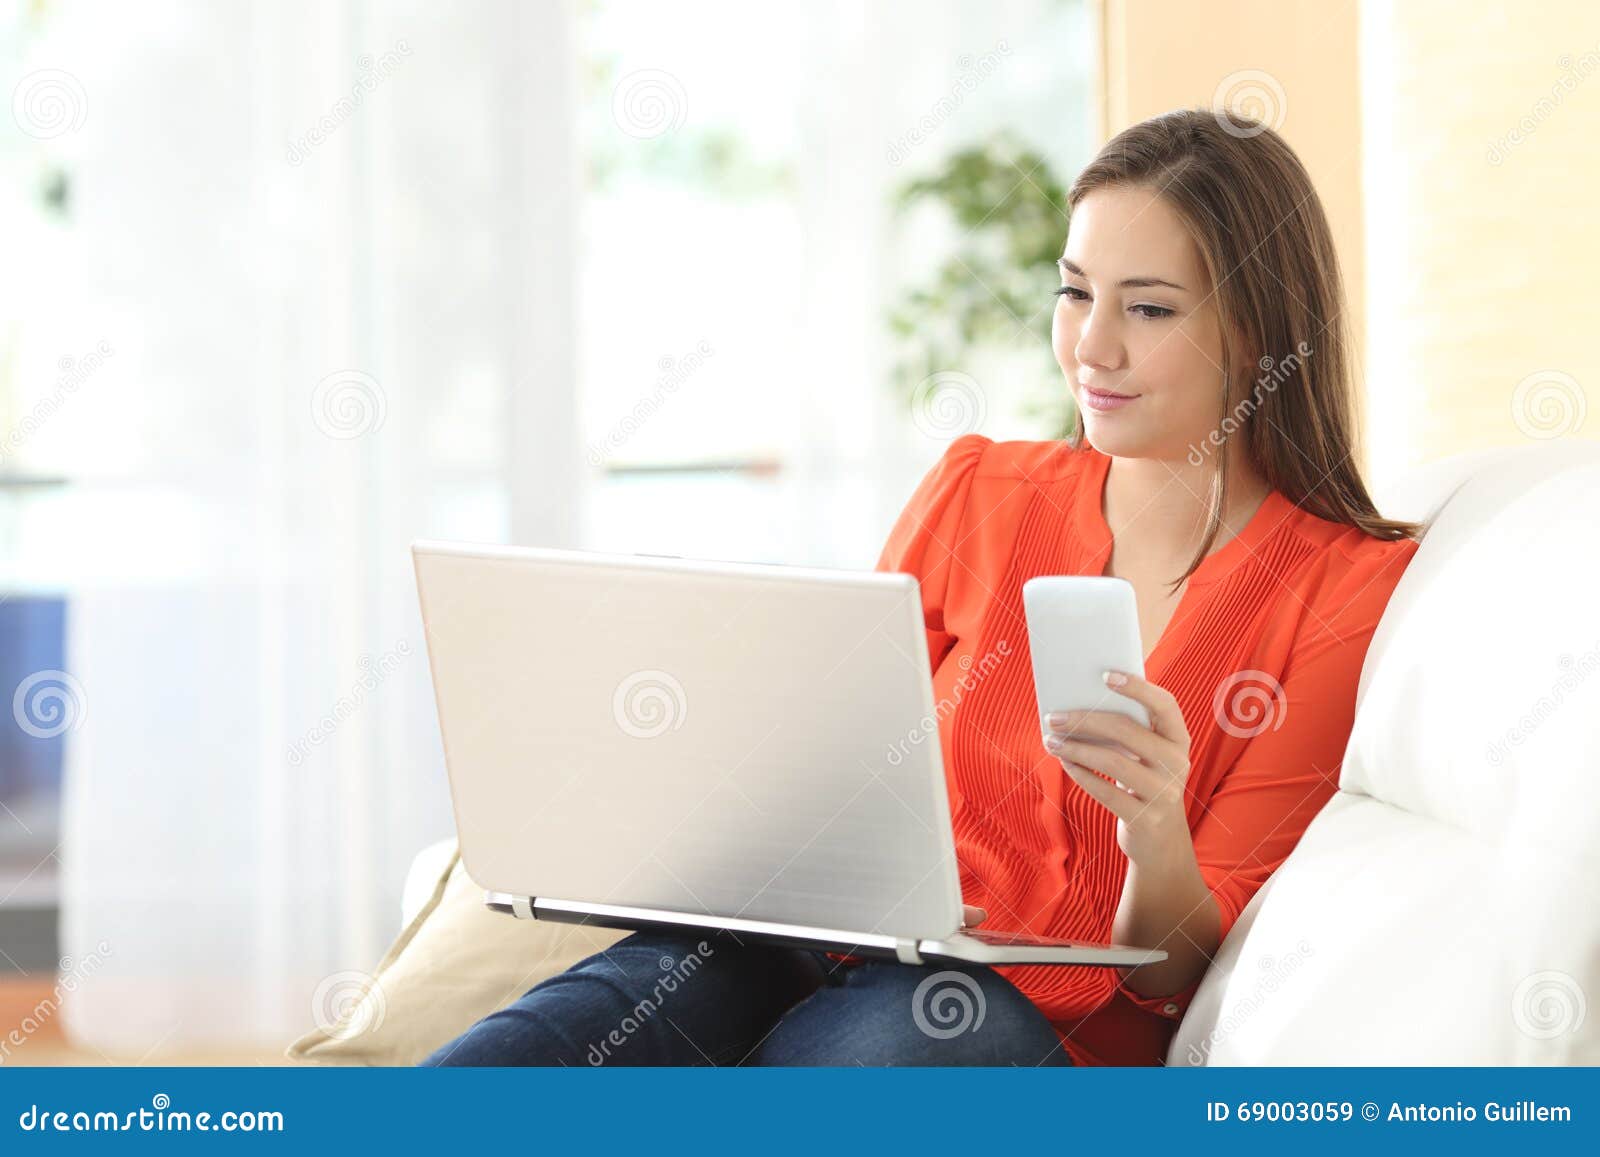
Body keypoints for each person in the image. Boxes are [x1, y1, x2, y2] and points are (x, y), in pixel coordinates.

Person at [422, 107, 1421, 1067]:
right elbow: (833, 757)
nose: (1090, 346)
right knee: (568, 1031)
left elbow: (1179, 976)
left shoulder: (1341, 590)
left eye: (1147, 308)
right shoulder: (981, 488)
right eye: (1074, 292)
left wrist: (1152, 830)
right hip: (823, 942)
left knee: (913, 1041)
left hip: (1010, 1022)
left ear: (1258, 334)